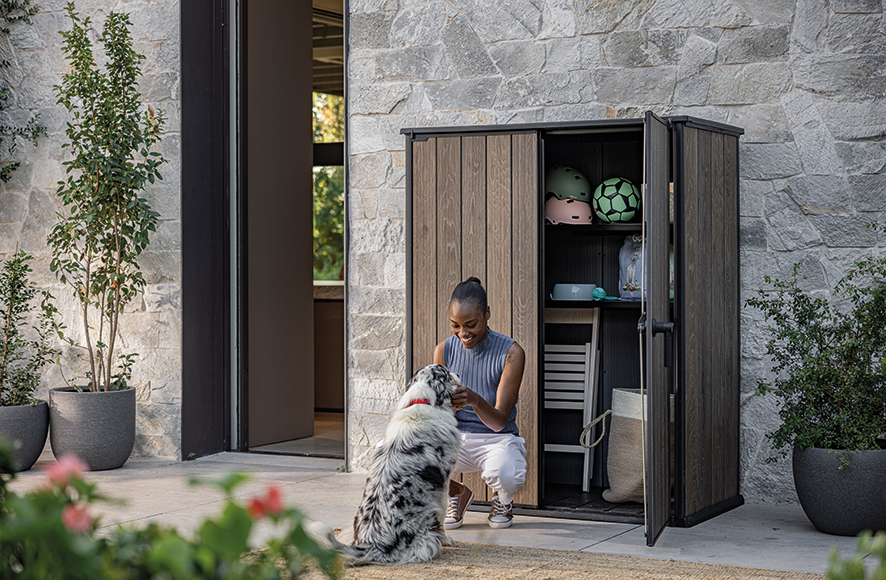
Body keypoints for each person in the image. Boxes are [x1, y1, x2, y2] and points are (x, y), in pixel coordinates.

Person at [433, 277, 527, 530]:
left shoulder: (511, 353)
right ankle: (456, 493)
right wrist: (447, 408)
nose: (463, 333)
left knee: (506, 473)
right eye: (455, 325)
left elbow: (499, 422)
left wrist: (474, 399)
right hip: (456, 438)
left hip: (497, 439)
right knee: (399, 454)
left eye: (471, 324)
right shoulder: (444, 350)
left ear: (487, 314)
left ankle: (502, 499)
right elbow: (439, 414)